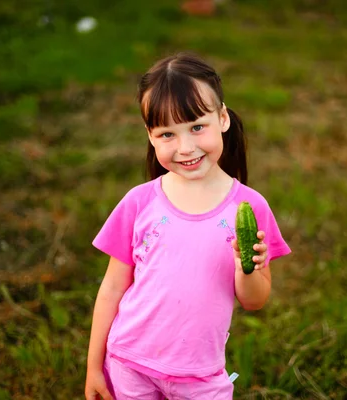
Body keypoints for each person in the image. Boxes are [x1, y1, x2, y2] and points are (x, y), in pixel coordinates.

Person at [85, 52, 291, 400]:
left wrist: (248, 268)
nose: (186, 147)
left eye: (197, 127)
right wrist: (93, 366)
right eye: (168, 134)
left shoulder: (249, 207)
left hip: (200, 374)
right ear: (150, 136)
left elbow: (255, 301)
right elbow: (112, 288)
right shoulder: (139, 202)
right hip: (129, 363)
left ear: (222, 118)